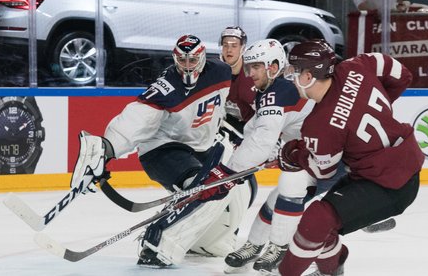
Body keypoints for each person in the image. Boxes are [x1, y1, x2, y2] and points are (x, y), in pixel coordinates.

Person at [72, 34, 256, 268]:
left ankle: (207, 242)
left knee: (243, 183)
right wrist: (107, 149)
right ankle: (157, 244)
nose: (187, 66)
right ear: (174, 58)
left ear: (203, 57)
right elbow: (136, 119)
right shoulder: (167, 86)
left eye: (192, 60)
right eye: (182, 60)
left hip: (202, 147)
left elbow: (244, 79)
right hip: (162, 149)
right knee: (198, 186)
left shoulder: (220, 71)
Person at [274, 40, 423, 276]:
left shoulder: (318, 125)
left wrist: (294, 152)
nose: (291, 78)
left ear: (310, 75)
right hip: (398, 164)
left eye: (295, 71)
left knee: (317, 218)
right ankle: (332, 271)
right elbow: (402, 75)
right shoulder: (358, 65)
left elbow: (324, 171)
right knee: (325, 221)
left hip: (389, 185)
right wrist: (372, 111)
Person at [221, 39, 316, 274]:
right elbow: (255, 130)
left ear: (273, 67)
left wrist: (229, 173)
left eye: (256, 67)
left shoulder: (279, 92)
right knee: (275, 202)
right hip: (309, 153)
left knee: (286, 196)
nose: (250, 73)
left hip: (325, 157)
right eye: (249, 67)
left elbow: (262, 140)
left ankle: (280, 248)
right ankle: (255, 245)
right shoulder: (270, 92)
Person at [219, 26, 256, 134]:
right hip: (225, 126)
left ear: (242, 48)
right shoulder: (215, 71)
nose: (229, 50)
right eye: (225, 45)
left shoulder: (254, 74)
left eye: (234, 46)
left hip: (252, 130)